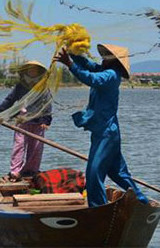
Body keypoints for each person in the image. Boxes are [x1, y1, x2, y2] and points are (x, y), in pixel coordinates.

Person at [55, 43, 149, 207]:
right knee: (119, 173)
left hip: (106, 134)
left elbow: (91, 78)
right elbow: (87, 65)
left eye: (106, 57)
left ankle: (98, 208)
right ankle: (142, 202)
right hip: (105, 132)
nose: (102, 59)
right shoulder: (104, 71)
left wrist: (69, 64)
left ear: (113, 61)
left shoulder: (111, 75)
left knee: (93, 174)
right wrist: (72, 53)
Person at [0, 61, 52, 181]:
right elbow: (9, 101)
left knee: (36, 148)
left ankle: (31, 170)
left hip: (38, 122)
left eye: (35, 70)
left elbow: (47, 104)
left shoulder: (43, 87)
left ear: (39, 72)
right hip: (22, 120)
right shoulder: (20, 86)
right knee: (19, 146)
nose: (32, 71)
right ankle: (15, 171)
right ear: (26, 71)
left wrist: (46, 120)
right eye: (30, 69)